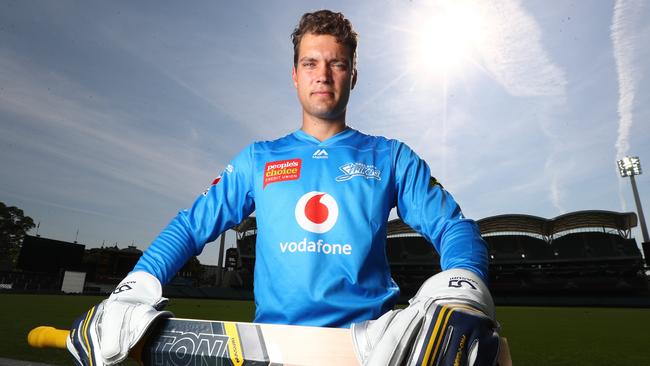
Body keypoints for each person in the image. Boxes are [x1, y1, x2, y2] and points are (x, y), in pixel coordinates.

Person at [67, 9, 500, 366]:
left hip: (367, 350)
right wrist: (135, 285)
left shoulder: (390, 156)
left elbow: (453, 226)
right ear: (295, 75)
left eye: (337, 64)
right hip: (271, 350)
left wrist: (463, 287)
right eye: (311, 63)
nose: (323, 75)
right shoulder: (259, 158)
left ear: (353, 76)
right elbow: (191, 226)